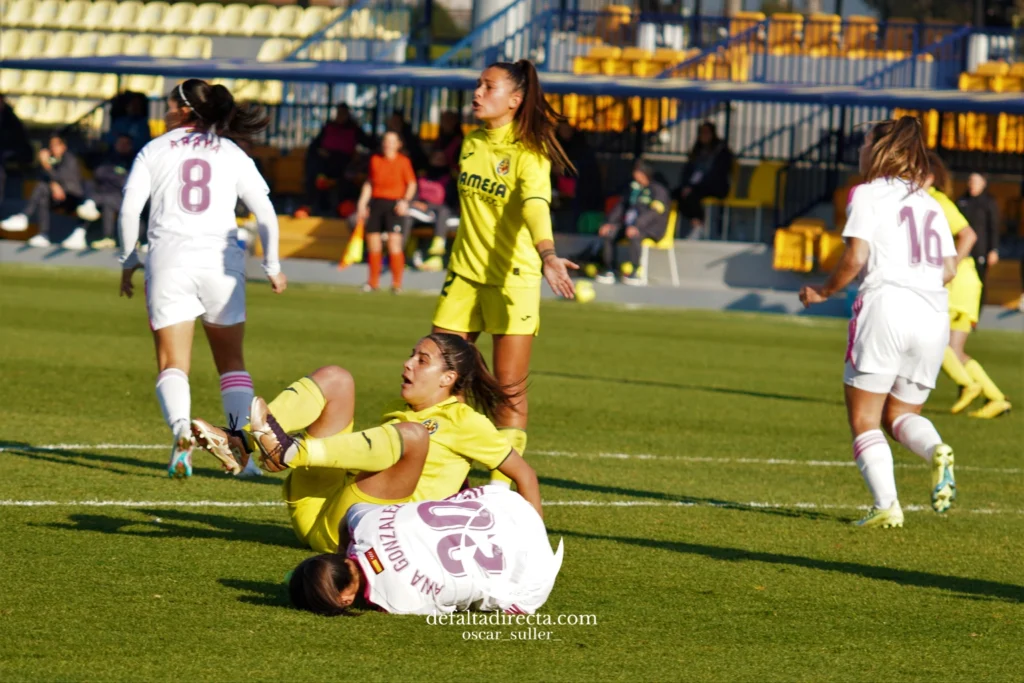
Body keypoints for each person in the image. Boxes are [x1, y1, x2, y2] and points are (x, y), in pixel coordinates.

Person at [190, 333, 543, 554]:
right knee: (337, 379)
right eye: (411, 354)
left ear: (448, 379)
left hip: (359, 534)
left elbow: (525, 476)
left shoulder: (467, 423)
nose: (407, 364)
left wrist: (535, 550)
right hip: (318, 506)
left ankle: (290, 451)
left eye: (422, 360)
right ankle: (243, 442)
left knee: (413, 437)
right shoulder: (400, 409)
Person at [117, 78, 287, 479]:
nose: (162, 109)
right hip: (221, 264)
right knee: (231, 363)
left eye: (167, 103)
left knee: (172, 362)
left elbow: (128, 211)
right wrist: (273, 266)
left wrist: (127, 260)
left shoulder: (153, 150)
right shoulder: (231, 152)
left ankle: (181, 430)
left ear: (182, 109)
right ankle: (242, 458)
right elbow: (265, 213)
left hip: (169, 260)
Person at [799, 117, 958, 529]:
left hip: (887, 308)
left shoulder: (867, 194)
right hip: (933, 314)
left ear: (881, 150)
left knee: (865, 419)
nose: (860, 150)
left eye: (865, 143)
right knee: (899, 415)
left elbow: (854, 257)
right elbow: (950, 268)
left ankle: (887, 504)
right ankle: (937, 448)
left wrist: (823, 292)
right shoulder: (931, 203)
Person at [432, 60, 578, 488]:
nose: (477, 92)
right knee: (436, 379)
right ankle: (444, 478)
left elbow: (536, 206)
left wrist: (548, 254)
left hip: (512, 281)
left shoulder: (530, 155)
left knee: (508, 392)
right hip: (463, 277)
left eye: (488, 86)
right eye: (478, 84)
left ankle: (499, 489)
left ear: (514, 100)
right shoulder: (472, 142)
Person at [289, 484, 563, 616]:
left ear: (345, 600)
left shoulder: (395, 602)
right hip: (507, 504)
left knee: (488, 601)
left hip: (535, 572)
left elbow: (448, 608)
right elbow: (352, 511)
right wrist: (342, 547)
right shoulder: (365, 526)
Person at [929, 159, 1012, 419]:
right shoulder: (943, 201)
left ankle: (967, 384)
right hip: (967, 282)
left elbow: (969, 235)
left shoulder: (935, 202)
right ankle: (996, 398)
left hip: (958, 282)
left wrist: (949, 268)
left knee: (931, 341)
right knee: (954, 348)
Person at [355, 130, 417, 293]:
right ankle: (372, 282)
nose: (388, 144)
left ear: (398, 144)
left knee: (393, 243)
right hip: (377, 204)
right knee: (373, 243)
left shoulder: (403, 162)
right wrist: (362, 203)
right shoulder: (375, 160)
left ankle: (397, 283)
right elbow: (370, 182)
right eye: (386, 141)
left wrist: (404, 202)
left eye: (392, 141)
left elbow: (411, 184)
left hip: (394, 205)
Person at [595, 158, 671, 286]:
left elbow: (653, 214)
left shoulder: (658, 190)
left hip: (650, 228)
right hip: (629, 226)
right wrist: (609, 222)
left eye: (638, 172)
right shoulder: (632, 189)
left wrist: (637, 226)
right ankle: (610, 269)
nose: (635, 175)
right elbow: (620, 207)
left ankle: (635, 271)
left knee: (635, 235)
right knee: (609, 234)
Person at [1, 133, 85, 248]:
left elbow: (64, 181)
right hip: (57, 198)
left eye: (55, 145)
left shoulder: (69, 159)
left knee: (42, 188)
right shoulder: (54, 161)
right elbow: (47, 179)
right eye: (50, 146)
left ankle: (24, 216)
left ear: (63, 146)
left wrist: (46, 164)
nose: (52, 148)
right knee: (42, 193)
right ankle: (43, 233)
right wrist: (52, 182)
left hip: (73, 198)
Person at [301, 103, 374, 217]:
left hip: (345, 163)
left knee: (347, 180)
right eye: (339, 113)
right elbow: (314, 146)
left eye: (343, 113)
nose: (341, 116)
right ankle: (312, 206)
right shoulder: (329, 127)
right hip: (326, 162)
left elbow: (369, 143)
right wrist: (320, 151)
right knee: (316, 177)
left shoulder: (354, 129)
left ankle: (343, 208)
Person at [74, 133, 137, 250]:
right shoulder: (108, 157)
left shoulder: (134, 161)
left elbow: (123, 182)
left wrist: (111, 177)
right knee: (89, 186)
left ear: (130, 146)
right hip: (103, 193)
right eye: (120, 143)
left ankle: (102, 234)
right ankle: (80, 231)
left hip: (123, 198)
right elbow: (99, 173)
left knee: (106, 200)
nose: (122, 146)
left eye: (125, 144)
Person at [677, 121, 733, 240]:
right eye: (702, 133)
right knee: (677, 194)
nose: (704, 136)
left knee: (692, 195)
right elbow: (687, 171)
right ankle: (693, 222)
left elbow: (719, 173)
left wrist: (693, 186)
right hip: (694, 186)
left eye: (707, 133)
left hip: (714, 186)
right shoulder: (697, 151)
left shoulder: (721, 151)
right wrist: (686, 185)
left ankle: (698, 225)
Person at [410, 149, 459, 272]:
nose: (438, 162)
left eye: (441, 159)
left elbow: (451, 202)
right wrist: (419, 203)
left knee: (443, 211)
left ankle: (437, 250)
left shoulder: (450, 179)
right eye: (435, 158)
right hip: (422, 213)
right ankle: (405, 254)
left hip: (444, 214)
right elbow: (414, 197)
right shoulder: (422, 178)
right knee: (404, 213)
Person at [957, 172, 1001, 306]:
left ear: (983, 183)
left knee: (978, 282)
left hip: (980, 250)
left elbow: (994, 227)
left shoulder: (989, 202)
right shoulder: (961, 201)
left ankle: (976, 314)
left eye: (976, 181)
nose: (972, 185)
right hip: (961, 250)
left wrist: (993, 249)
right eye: (970, 181)